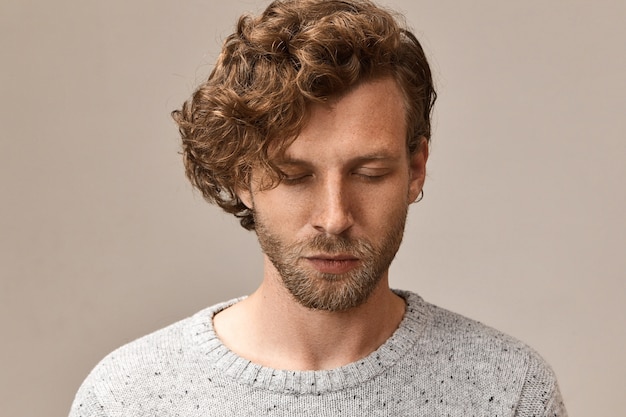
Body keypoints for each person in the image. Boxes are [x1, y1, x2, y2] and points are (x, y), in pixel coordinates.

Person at [69, 0, 567, 415]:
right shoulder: (128, 398)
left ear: (415, 169)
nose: (334, 216)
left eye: (369, 173)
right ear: (241, 175)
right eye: (294, 176)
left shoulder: (509, 393)